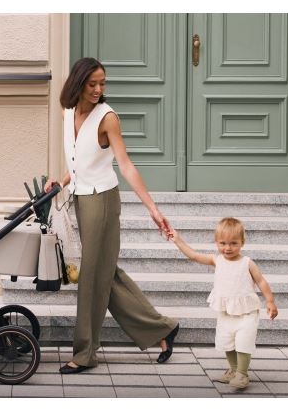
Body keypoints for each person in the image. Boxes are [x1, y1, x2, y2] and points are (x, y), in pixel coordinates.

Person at [44, 57, 179, 374]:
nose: (98, 89)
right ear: (78, 83)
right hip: (80, 198)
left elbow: (125, 164)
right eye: (92, 84)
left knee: (92, 275)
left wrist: (152, 208)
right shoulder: (68, 113)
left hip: (102, 201)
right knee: (105, 273)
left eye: (102, 83)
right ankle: (162, 329)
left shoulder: (108, 118)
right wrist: (61, 181)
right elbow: (79, 161)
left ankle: (85, 353)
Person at [169, 217, 278, 388]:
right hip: (226, 312)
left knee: (243, 342)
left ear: (242, 242)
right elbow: (194, 255)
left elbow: (261, 281)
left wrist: (270, 301)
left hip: (246, 313)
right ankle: (233, 370)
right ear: (216, 242)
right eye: (223, 243)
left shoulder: (247, 263)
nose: (228, 248)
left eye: (234, 243)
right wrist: (178, 240)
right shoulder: (216, 260)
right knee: (227, 342)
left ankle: (242, 374)